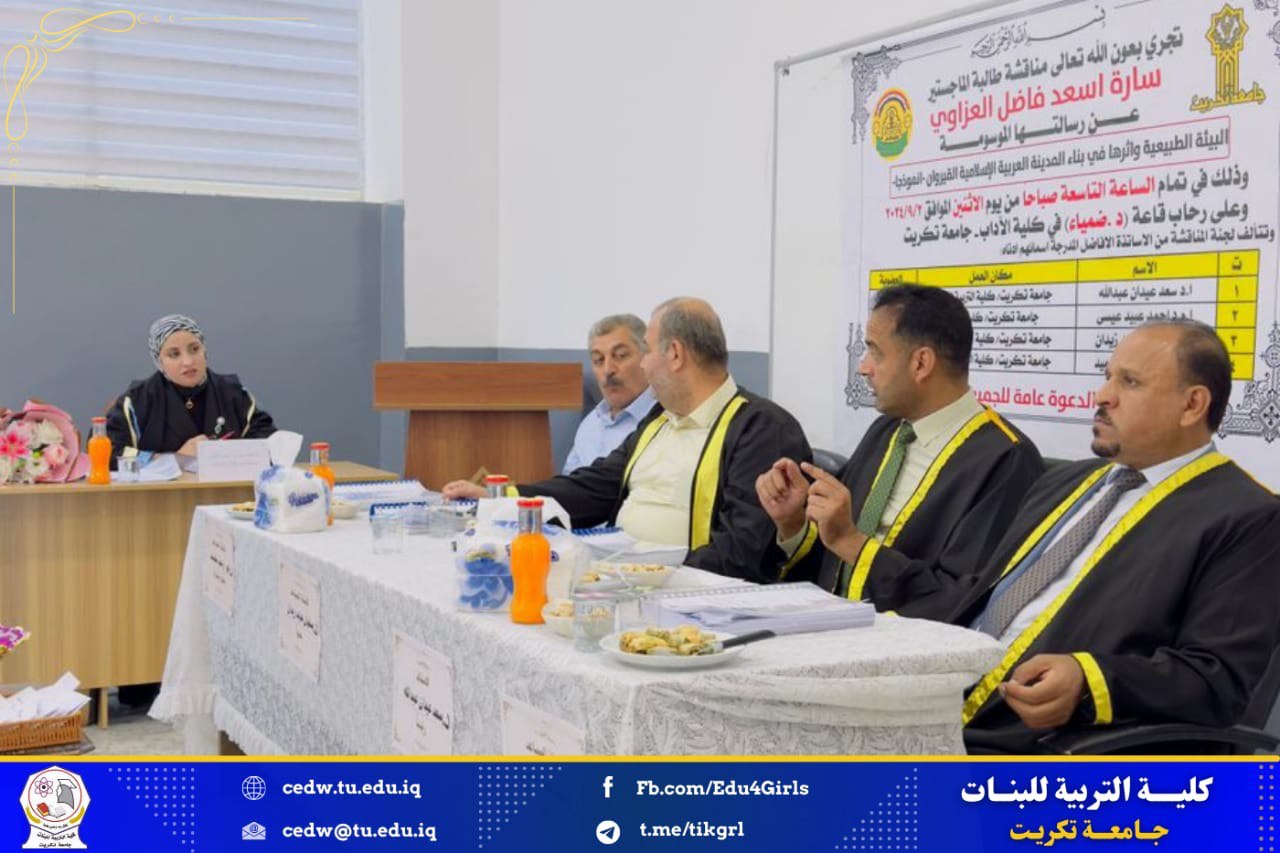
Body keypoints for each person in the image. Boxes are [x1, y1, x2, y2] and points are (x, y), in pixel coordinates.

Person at [950, 320, 1280, 753]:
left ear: (1192, 405)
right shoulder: (1065, 482)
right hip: (945, 696)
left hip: (1040, 741)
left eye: (1130, 382)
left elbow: (1215, 679)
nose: (1102, 396)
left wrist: (1088, 681)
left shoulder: (1246, 517)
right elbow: (983, 595)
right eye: (1107, 376)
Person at [444, 297, 812, 583]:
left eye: (647, 351)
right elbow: (598, 485)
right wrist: (505, 498)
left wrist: (644, 576)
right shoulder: (659, 420)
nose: (645, 365)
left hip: (688, 595)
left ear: (675, 354)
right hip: (624, 579)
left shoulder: (761, 428)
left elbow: (743, 551)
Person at [757, 284, 1043, 616]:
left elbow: (964, 599)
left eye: (875, 352)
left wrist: (853, 543)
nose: (863, 368)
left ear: (921, 363)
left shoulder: (1005, 459)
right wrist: (794, 523)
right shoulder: (887, 431)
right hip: (826, 622)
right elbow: (832, 562)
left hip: (901, 639)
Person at [105, 314, 277, 462]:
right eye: (174, 354)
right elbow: (110, 452)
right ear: (159, 362)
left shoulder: (232, 393)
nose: (188, 361)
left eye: (194, 349)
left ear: (204, 351)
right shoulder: (137, 401)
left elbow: (269, 442)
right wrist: (173, 459)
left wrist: (224, 454)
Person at [563, 314, 657, 473]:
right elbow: (569, 480)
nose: (608, 370)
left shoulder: (665, 420)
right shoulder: (591, 422)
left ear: (646, 357)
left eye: (620, 356)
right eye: (598, 360)